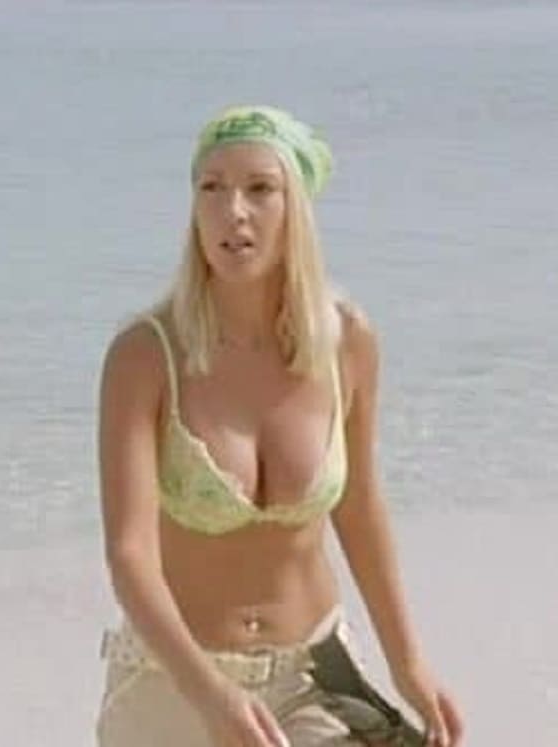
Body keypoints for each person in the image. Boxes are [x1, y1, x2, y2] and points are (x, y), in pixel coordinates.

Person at [95, 106, 464, 747]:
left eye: (260, 189)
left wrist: (408, 662)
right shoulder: (146, 355)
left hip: (313, 672)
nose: (232, 211)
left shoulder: (347, 342)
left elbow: (359, 508)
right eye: (211, 188)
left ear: (297, 207)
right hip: (173, 680)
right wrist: (210, 695)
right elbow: (130, 555)